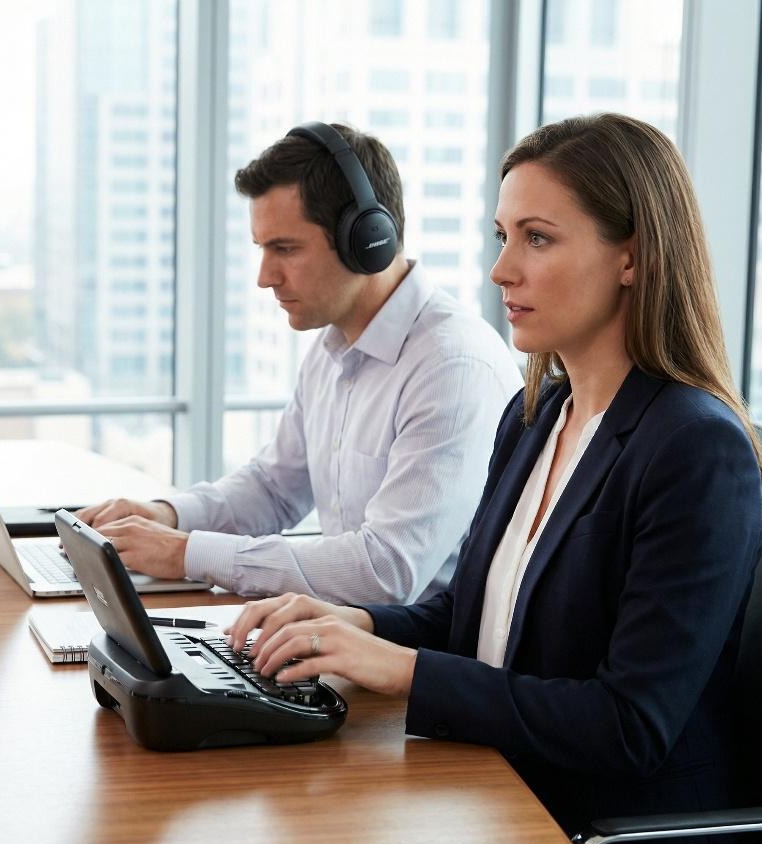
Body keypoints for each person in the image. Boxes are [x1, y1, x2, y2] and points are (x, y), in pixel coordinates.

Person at [226, 114, 762, 844]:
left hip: (594, 836)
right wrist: (355, 627)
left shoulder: (695, 448)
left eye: (537, 238)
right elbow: (476, 617)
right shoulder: (538, 413)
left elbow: (629, 724)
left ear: (632, 257)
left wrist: (406, 673)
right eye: (501, 237)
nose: (501, 270)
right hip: (497, 789)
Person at [79, 122, 521, 604]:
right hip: (340, 641)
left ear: (368, 239)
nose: (265, 277)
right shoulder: (333, 350)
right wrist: (165, 515)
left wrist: (186, 552)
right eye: (263, 249)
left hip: (409, 663)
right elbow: (274, 489)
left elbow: (386, 572)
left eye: (285, 249)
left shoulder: (451, 366)